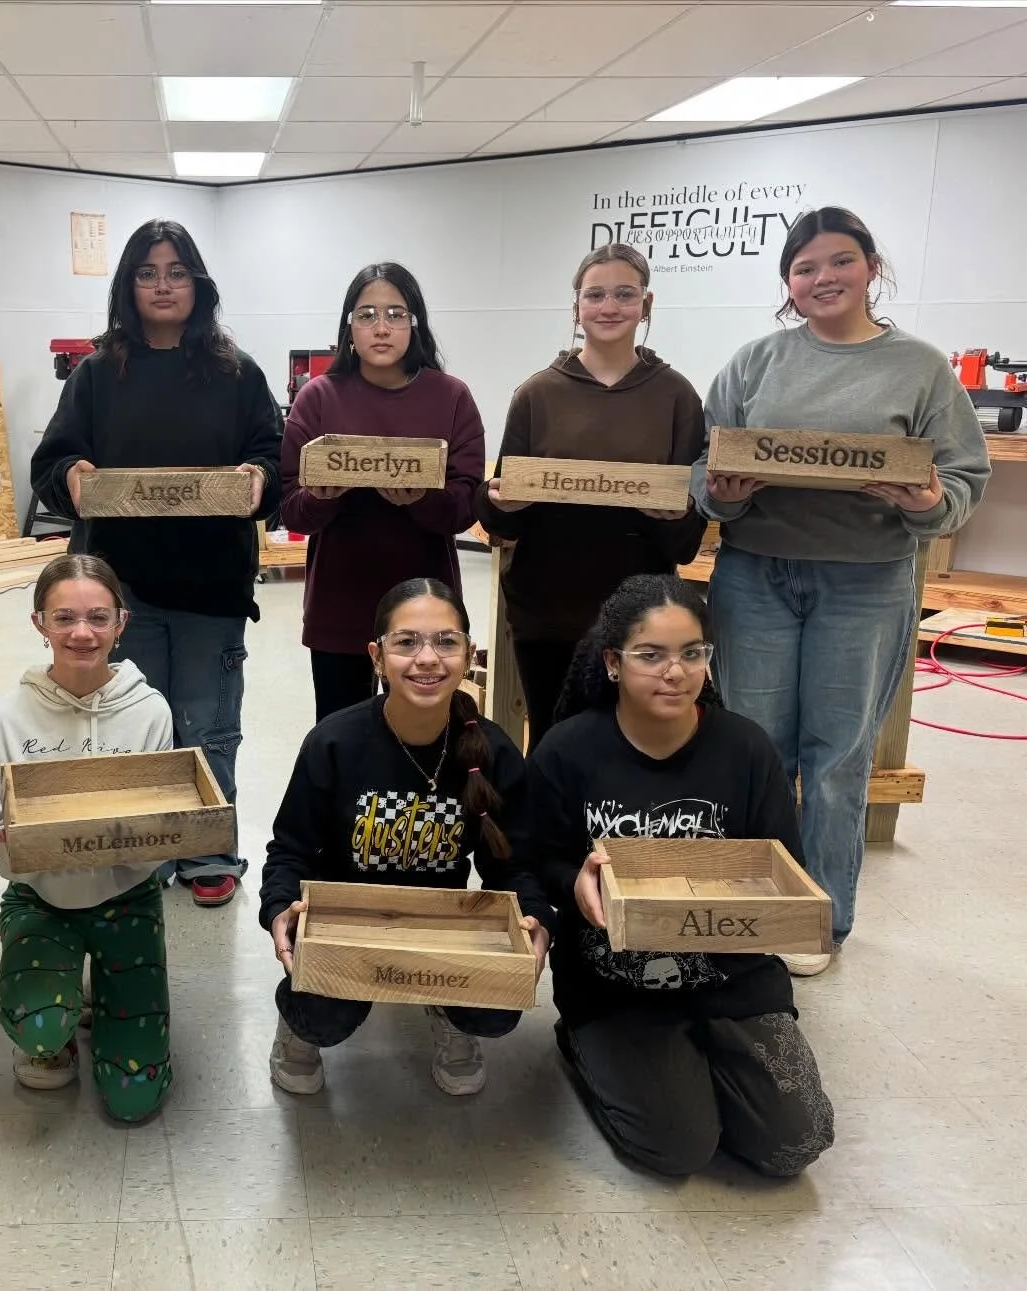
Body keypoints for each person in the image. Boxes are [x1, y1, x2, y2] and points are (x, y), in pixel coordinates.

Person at [690, 206, 990, 976]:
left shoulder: (919, 368)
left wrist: (927, 504)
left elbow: (963, 477)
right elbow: (705, 471)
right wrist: (726, 494)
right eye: (805, 268)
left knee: (837, 756)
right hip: (757, 573)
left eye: (840, 261)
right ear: (788, 284)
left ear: (871, 267)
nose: (824, 278)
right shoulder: (756, 362)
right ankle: (752, 900)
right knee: (757, 748)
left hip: (866, 582)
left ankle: (819, 914)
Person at [527, 573, 833, 1177]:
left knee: (794, 1145)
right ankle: (588, 1044)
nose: (675, 672)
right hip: (615, 985)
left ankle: (704, 1057)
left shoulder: (745, 750)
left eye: (693, 653)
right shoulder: (567, 751)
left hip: (734, 978)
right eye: (651, 655)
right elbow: (535, 858)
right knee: (675, 1148)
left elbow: (783, 865)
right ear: (613, 663)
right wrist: (572, 883)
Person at [29, 218, 282, 909]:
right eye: (147, 272)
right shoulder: (97, 372)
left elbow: (273, 455)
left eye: (176, 272)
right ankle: (141, 843)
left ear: (198, 283)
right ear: (127, 285)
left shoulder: (237, 371)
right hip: (121, 591)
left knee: (206, 722)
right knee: (130, 724)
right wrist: (74, 475)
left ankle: (207, 849)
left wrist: (260, 479)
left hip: (211, 588)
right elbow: (50, 461)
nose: (163, 286)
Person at [260, 578, 550, 1097]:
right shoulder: (335, 741)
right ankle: (299, 1027)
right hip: (344, 920)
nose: (427, 659)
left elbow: (515, 865)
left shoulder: (494, 751)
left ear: (468, 653)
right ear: (376, 656)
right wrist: (281, 907)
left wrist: (535, 920)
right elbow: (291, 848)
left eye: (446, 641)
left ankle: (449, 1010)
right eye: (406, 642)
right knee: (325, 1016)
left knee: (498, 1009)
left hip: (441, 923)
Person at [476, 243, 707, 747]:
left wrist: (670, 516)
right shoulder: (536, 394)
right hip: (548, 613)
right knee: (554, 748)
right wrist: (498, 503)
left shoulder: (677, 397)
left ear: (646, 304)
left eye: (625, 294)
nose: (609, 307)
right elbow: (504, 520)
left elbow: (687, 540)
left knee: (634, 752)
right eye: (595, 294)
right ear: (576, 306)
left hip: (641, 621)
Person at [0, 554, 174, 1119]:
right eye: (64, 618)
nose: (82, 633)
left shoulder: (150, 710)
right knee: (39, 1032)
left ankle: (110, 1001)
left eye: (97, 617)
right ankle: (58, 1022)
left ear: (121, 622)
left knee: (135, 1097)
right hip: (41, 897)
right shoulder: (7, 717)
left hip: (127, 895)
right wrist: (24, 842)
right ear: (40, 623)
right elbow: (0, 825)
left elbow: (160, 819)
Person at [280, 262, 486, 723]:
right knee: (342, 739)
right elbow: (291, 510)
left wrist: (421, 499)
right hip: (339, 604)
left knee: (426, 734)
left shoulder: (452, 398)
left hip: (427, 607)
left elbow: (464, 507)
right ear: (348, 326)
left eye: (396, 314)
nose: (381, 327)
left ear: (415, 326)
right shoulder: (318, 398)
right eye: (367, 314)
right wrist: (323, 496)